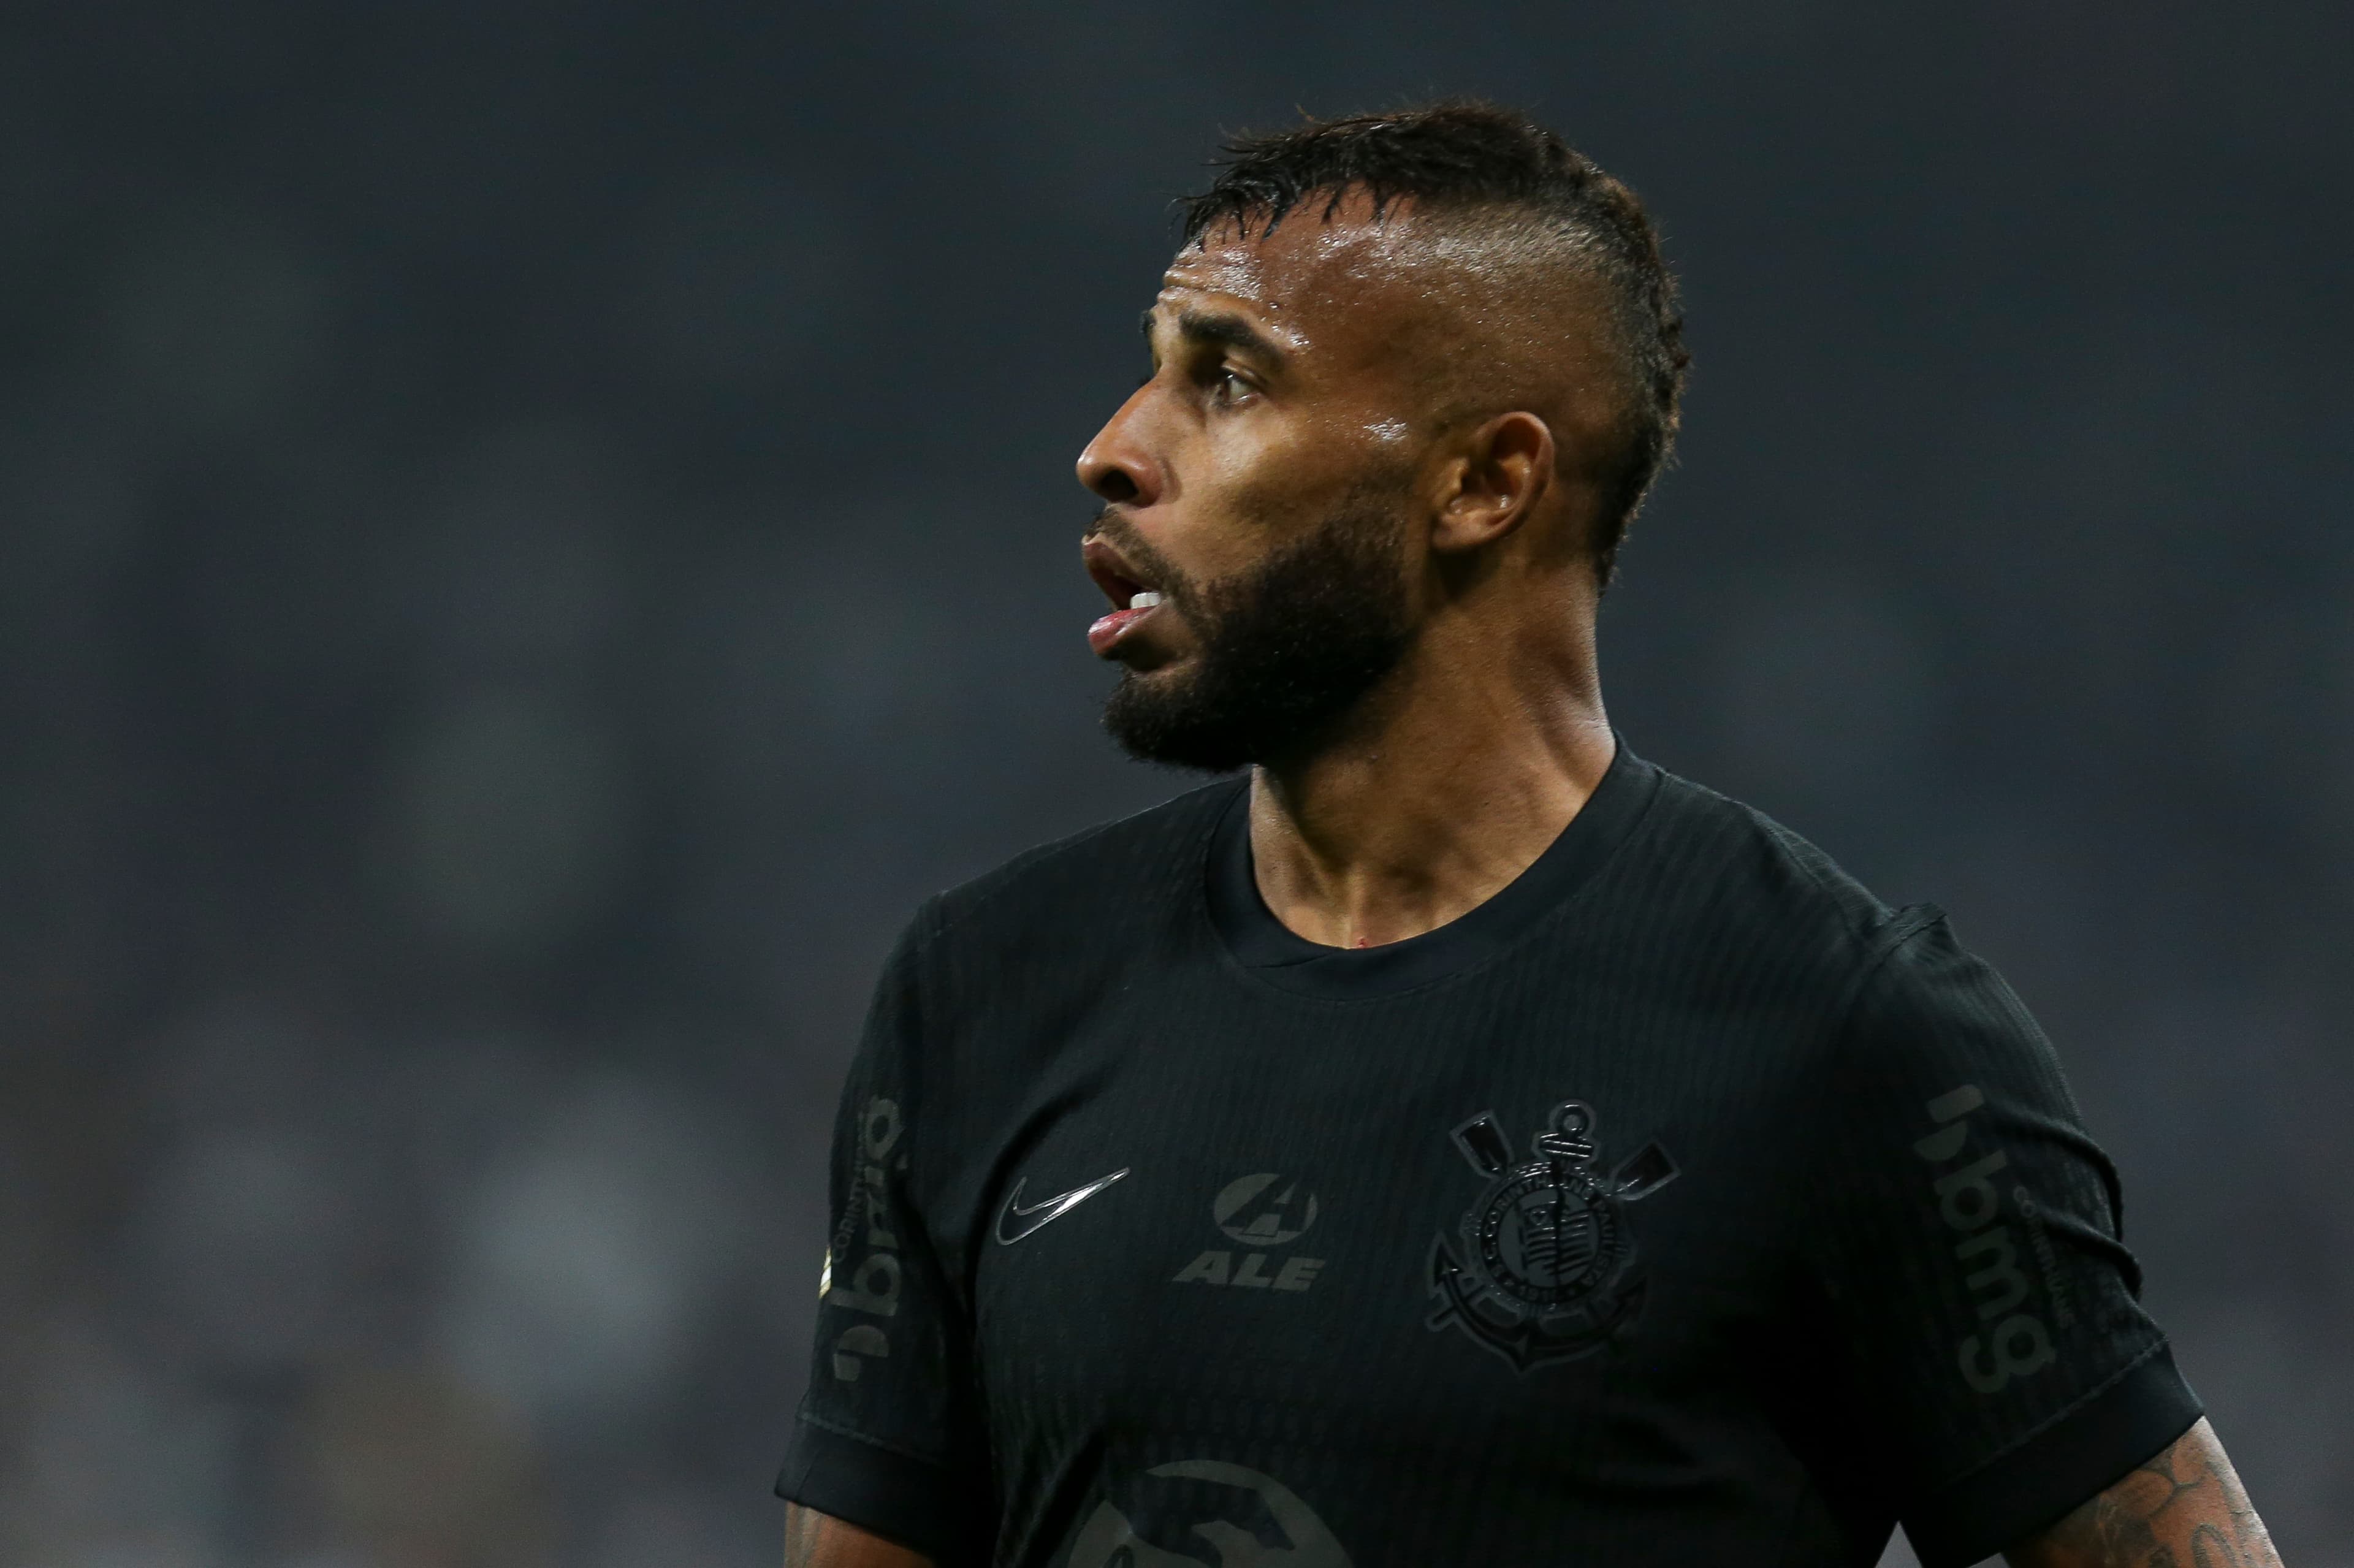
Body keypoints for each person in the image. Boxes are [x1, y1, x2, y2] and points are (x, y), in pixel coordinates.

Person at [775, 102, 2284, 1568]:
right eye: (1156, 368)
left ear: (1486, 483)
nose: (1114, 447)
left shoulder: (1847, 1034)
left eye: (1226, 381)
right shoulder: (981, 992)